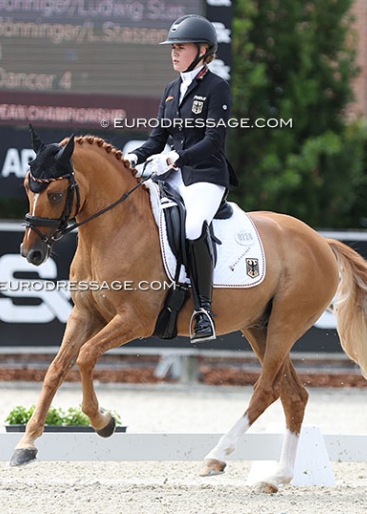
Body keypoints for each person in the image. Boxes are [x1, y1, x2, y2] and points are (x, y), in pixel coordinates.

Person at [124, 14, 237, 344]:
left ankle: (203, 310)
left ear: (203, 50)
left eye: (181, 47)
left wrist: (178, 157)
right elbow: (157, 139)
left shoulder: (218, 88)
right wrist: (132, 157)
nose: (174, 53)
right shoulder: (171, 90)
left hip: (206, 176)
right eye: (172, 48)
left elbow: (214, 140)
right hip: (173, 175)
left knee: (192, 226)